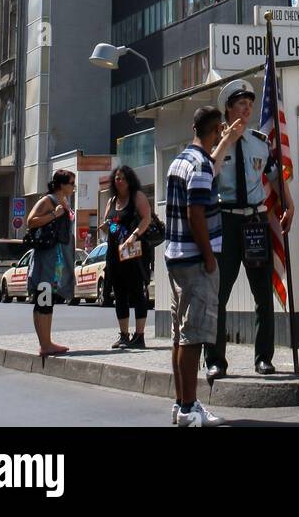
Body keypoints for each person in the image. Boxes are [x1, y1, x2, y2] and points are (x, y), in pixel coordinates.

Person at [203, 78, 294, 381]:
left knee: (262, 295)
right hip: (226, 220)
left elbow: (274, 175)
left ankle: (263, 359)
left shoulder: (259, 141)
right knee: (219, 293)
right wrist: (226, 140)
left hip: (255, 221)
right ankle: (216, 360)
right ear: (228, 108)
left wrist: (289, 203)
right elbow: (208, 172)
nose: (247, 108)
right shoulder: (216, 142)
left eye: (250, 104)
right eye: (241, 104)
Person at [164, 104, 239, 428]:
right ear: (215, 129)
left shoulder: (180, 160)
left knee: (180, 335)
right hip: (196, 259)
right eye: (221, 130)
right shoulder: (201, 165)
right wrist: (210, 256)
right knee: (193, 336)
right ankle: (190, 408)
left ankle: (183, 404)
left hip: (176, 256)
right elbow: (197, 214)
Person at [101, 165, 152, 350]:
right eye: (116, 178)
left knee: (137, 292)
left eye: (122, 178)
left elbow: (147, 218)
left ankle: (139, 336)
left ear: (129, 180)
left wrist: (134, 235)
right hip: (115, 252)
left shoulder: (137, 196)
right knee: (119, 293)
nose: (118, 181)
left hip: (134, 251)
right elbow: (110, 224)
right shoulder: (112, 200)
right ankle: (123, 335)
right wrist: (109, 228)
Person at [27, 169, 77, 357]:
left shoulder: (64, 201)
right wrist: (54, 215)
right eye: (71, 183)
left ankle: (47, 342)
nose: (74, 187)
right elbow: (31, 221)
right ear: (61, 184)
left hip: (57, 260)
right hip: (47, 258)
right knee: (43, 300)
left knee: (48, 301)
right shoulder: (48, 200)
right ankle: (45, 344)